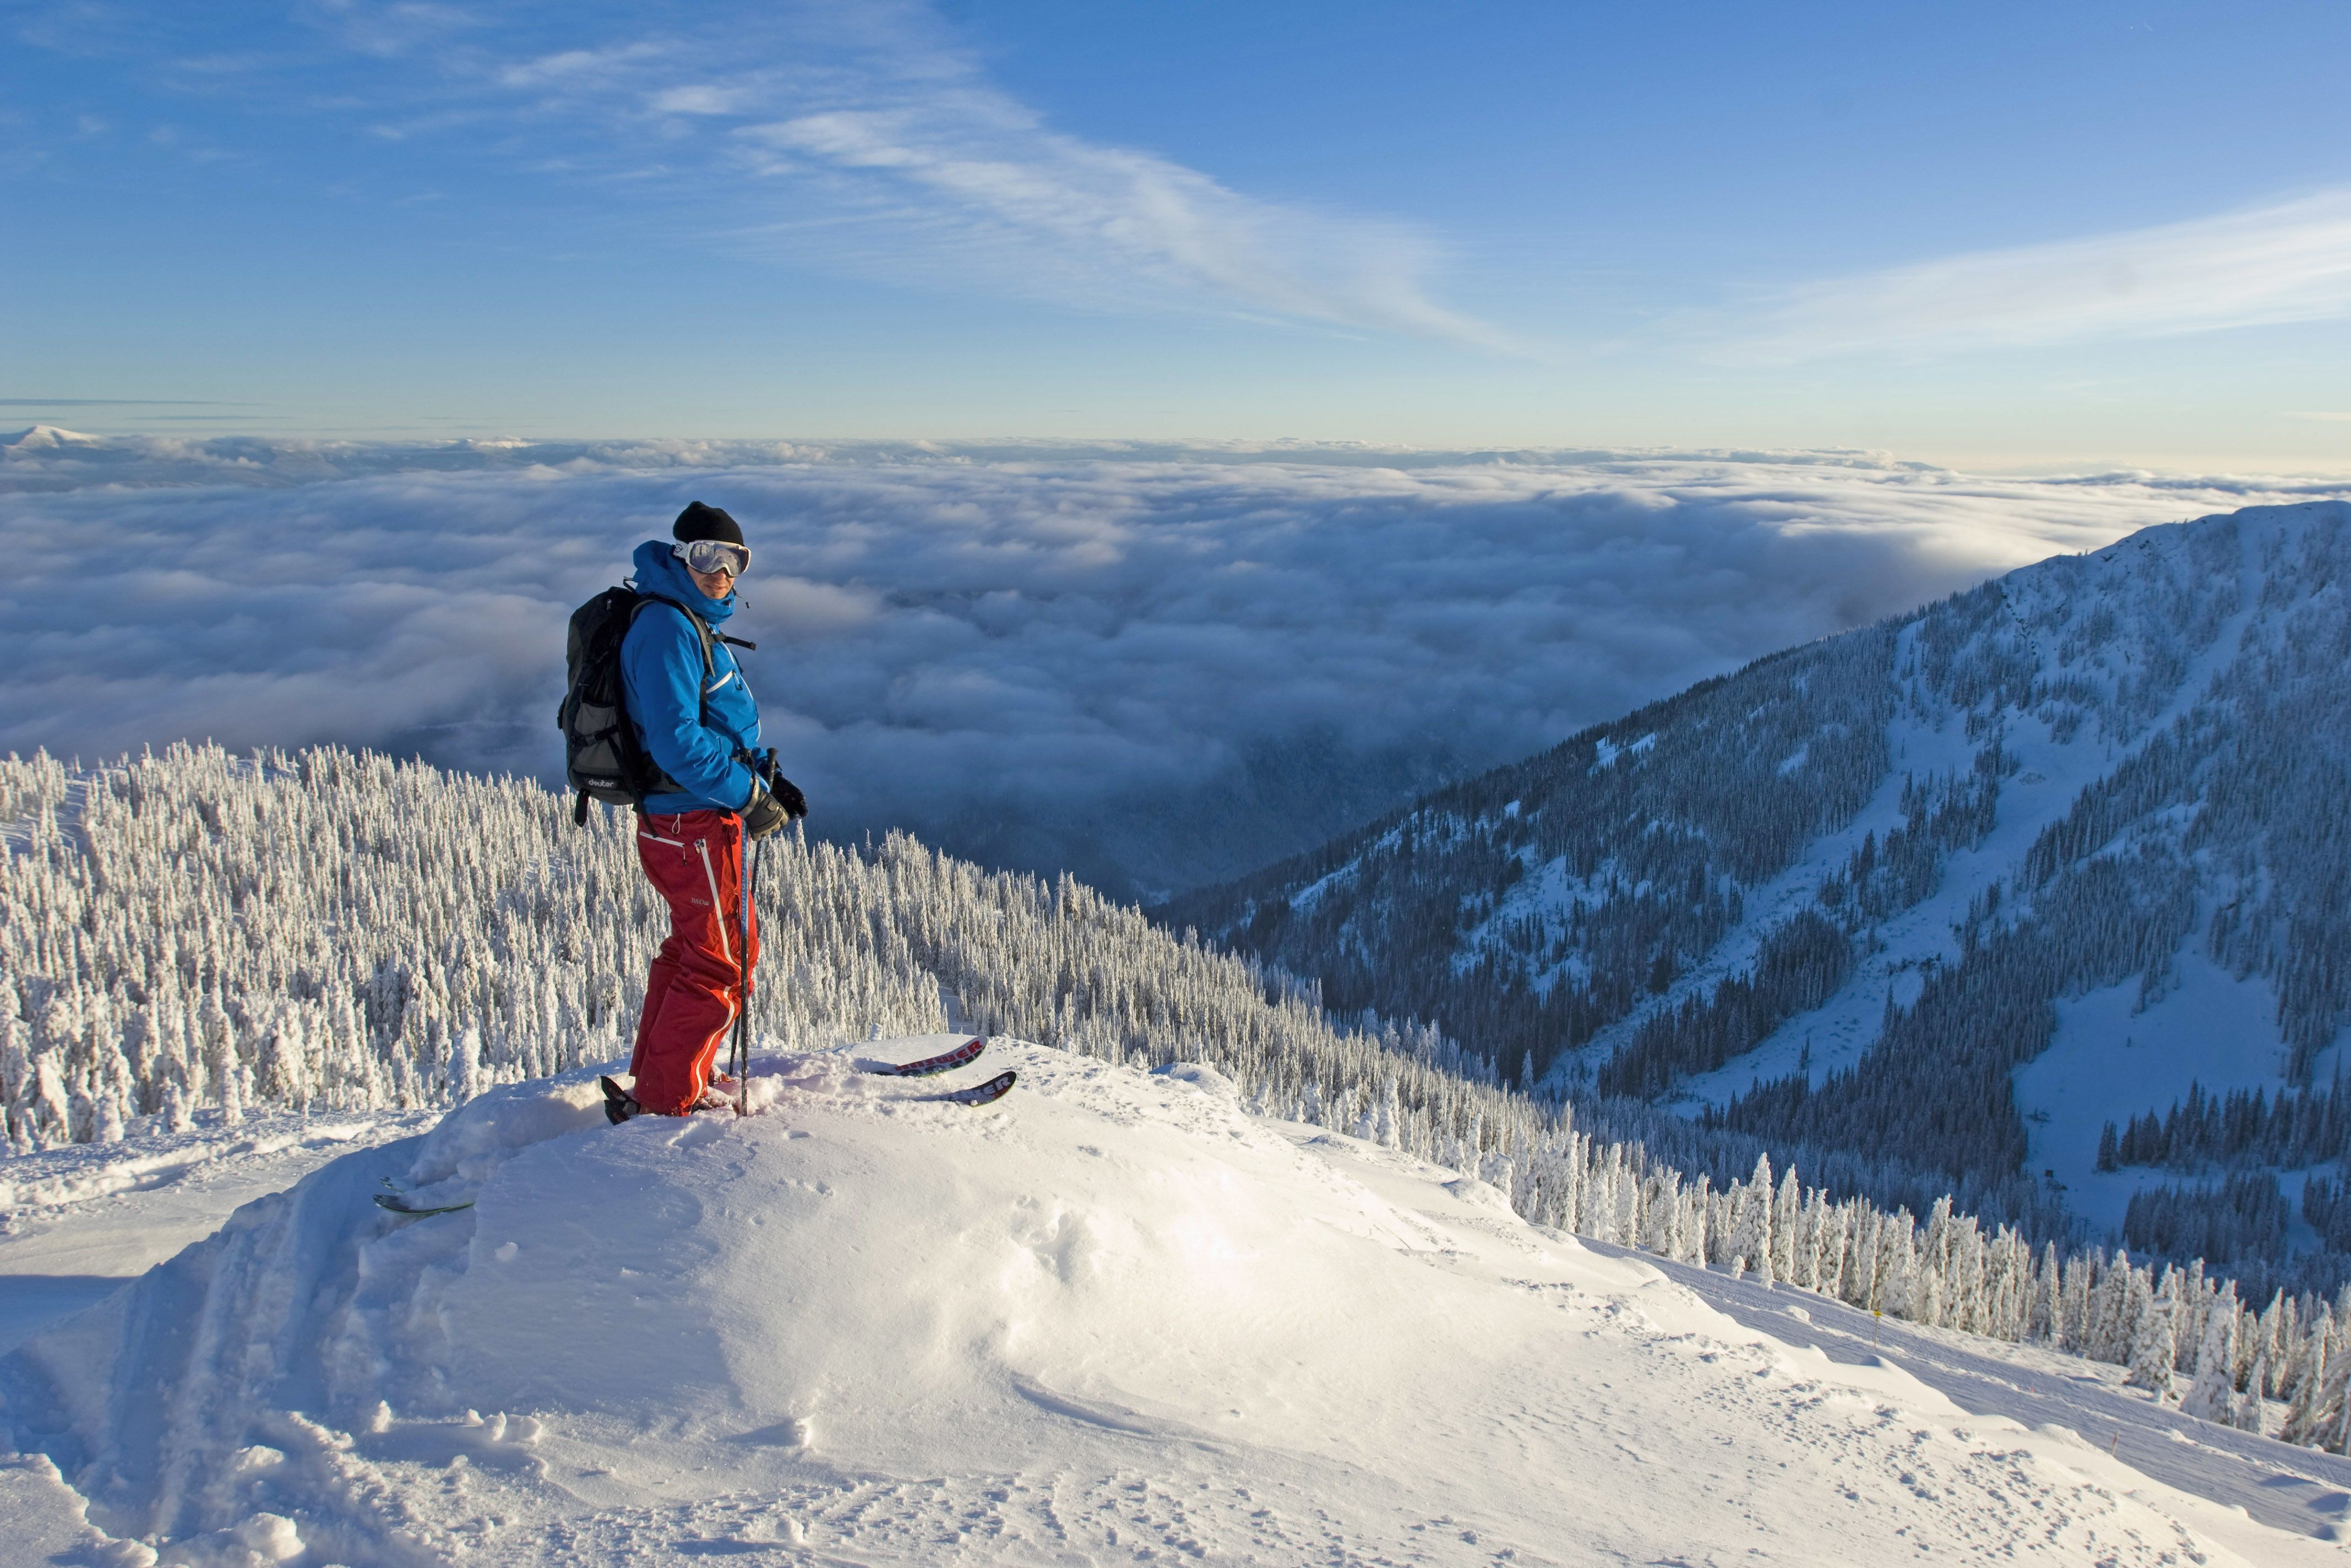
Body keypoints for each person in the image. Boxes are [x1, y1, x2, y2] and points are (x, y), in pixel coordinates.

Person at [611, 500, 806, 1120]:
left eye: (734, 560)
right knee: (722, 964)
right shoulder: (669, 628)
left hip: (690, 817)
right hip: (691, 822)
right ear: (679, 556)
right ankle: (669, 1102)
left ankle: (662, 1077)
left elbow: (708, 730)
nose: (721, 571)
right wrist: (749, 797)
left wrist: (767, 782)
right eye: (705, 556)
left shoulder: (685, 619)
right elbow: (677, 742)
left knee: (692, 953)